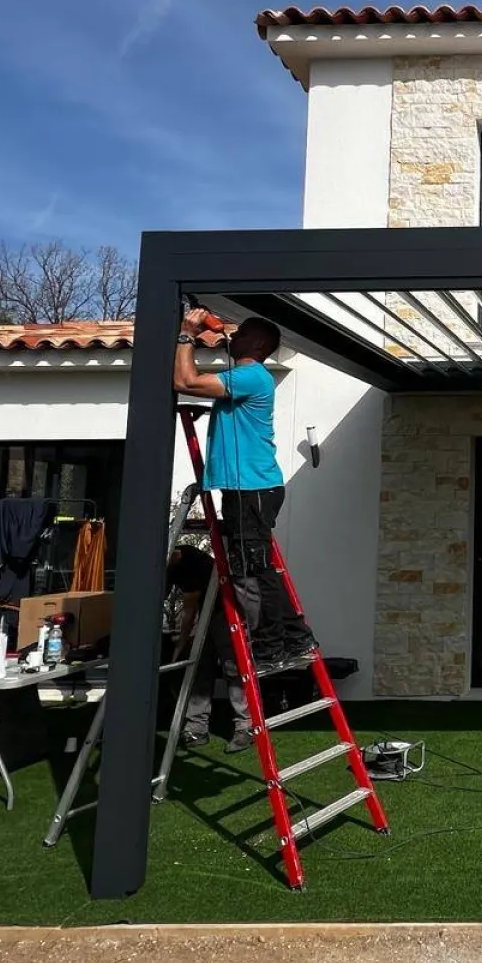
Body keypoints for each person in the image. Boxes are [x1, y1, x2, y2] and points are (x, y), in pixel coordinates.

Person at [172, 310, 313, 751]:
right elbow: (230, 341)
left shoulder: (252, 377)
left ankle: (283, 643)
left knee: (256, 570)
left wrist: (186, 334)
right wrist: (215, 329)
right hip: (246, 489)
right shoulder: (246, 367)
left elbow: (186, 382)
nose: (233, 337)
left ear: (256, 346)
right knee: (252, 568)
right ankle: (283, 641)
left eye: (242, 334)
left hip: (251, 489)